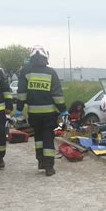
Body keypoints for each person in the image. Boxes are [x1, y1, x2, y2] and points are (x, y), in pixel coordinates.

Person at [16, 45, 67, 176]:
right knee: (48, 138)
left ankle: (41, 161)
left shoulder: (25, 71)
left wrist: (19, 109)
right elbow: (57, 94)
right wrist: (63, 109)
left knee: (38, 137)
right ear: (46, 57)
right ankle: (49, 167)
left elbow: (21, 92)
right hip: (49, 114)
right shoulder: (51, 72)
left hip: (33, 113)